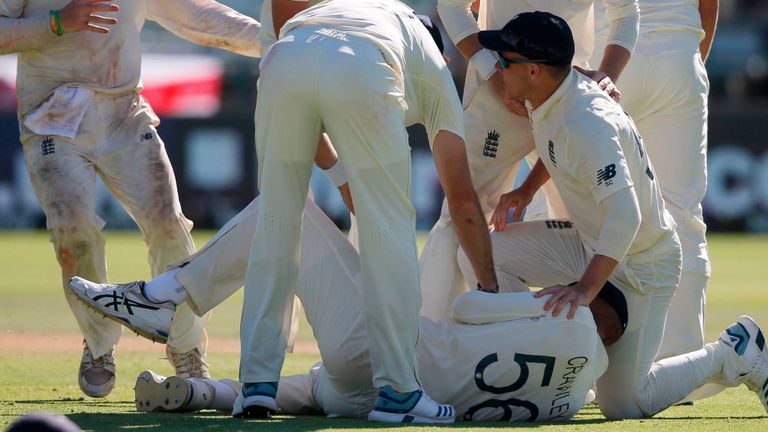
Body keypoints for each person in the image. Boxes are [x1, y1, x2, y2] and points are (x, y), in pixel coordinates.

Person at [71, 197, 612, 422]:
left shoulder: (569, 314)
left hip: (392, 365)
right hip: (384, 399)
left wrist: (513, 298)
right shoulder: (576, 399)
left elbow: (469, 308)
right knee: (311, 391)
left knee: (290, 209)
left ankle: (170, 298)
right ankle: (199, 392)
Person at [470, 11, 768, 418]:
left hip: (644, 263)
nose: (498, 69)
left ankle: (733, 352)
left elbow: (625, 216)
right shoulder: (553, 91)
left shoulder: (588, 119)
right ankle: (538, 366)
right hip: (592, 243)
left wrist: (584, 290)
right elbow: (560, 144)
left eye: (504, 61)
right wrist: (525, 189)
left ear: (535, 70)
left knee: (626, 404)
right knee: (492, 249)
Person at [238, 0, 500, 423]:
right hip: (363, 61)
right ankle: (399, 392)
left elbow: (315, 92)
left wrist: (343, 177)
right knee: (390, 229)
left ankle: (257, 385)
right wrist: (490, 289)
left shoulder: (380, 19)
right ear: (441, 54)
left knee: (276, 220)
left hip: (284, 58)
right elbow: (464, 201)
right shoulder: (434, 70)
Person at [0, 0, 263, 397]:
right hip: (50, 116)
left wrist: (278, 42)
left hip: (124, 112)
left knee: (168, 226)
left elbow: (199, 16)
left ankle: (187, 347)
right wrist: (56, 22)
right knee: (73, 234)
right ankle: (100, 345)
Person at [418, 0, 640, 322]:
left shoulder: (581, 109)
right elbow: (452, 5)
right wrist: (489, 68)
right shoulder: (500, 77)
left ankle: (574, 347)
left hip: (566, 93)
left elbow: (627, 14)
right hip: (501, 88)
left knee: (589, 230)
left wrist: (607, 75)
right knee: (465, 215)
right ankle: (431, 340)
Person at [591, 0, 719, 363]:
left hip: (609, 50)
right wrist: (689, 60)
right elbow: (708, 4)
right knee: (684, 216)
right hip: (679, 50)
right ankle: (682, 365)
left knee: (591, 212)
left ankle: (593, 363)